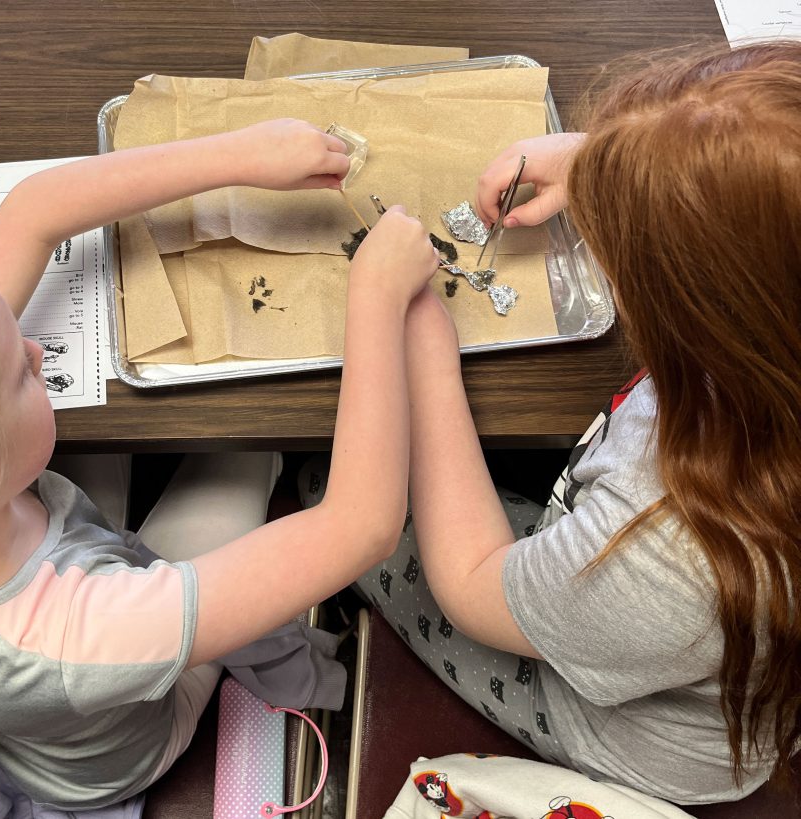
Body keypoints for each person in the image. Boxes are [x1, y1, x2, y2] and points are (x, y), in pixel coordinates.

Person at [0, 119, 441, 810]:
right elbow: (361, 524)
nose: (35, 352)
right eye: (18, 373)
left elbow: (34, 209)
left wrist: (240, 154)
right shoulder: (78, 634)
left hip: (59, 598)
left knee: (122, 448)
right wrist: (376, 296)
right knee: (247, 450)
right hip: (137, 735)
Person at [302, 41, 801, 805]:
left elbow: (470, 583)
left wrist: (428, 343)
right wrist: (609, 164)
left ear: (709, 313)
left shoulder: (671, 554)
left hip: (625, 719)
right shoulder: (769, 364)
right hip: (660, 634)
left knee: (322, 493)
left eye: (625, 255)